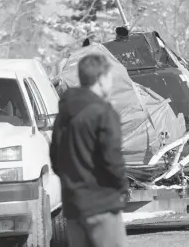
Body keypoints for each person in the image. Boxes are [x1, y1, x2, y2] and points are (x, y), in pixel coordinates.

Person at [50, 54, 128, 247]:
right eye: (110, 78)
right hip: (102, 206)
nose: (111, 84)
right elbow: (112, 159)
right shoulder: (104, 113)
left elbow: (55, 159)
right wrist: (122, 186)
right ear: (101, 79)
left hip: (74, 208)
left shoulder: (64, 113)